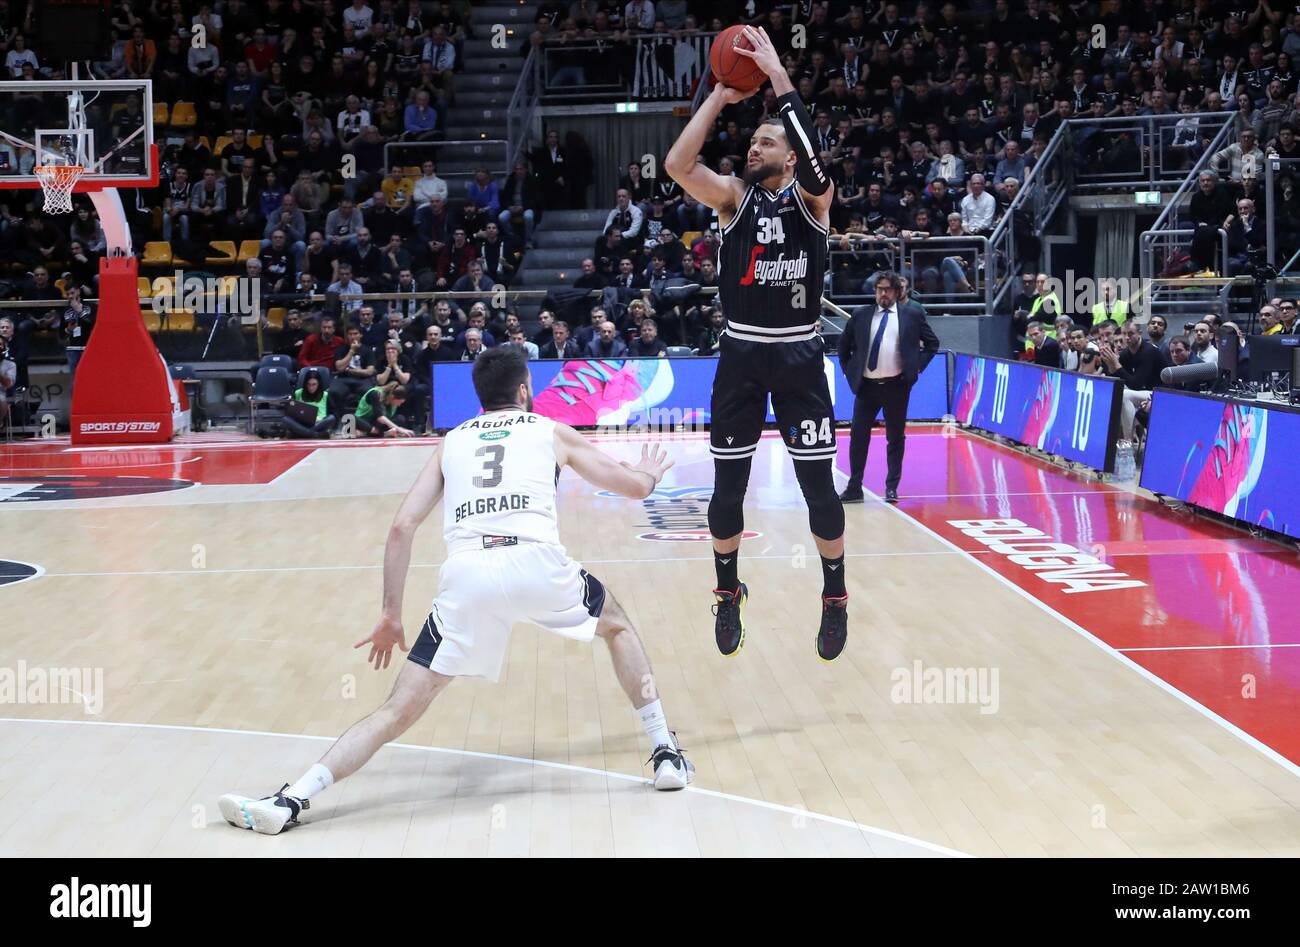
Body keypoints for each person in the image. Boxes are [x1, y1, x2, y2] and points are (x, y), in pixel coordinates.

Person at [218, 348, 691, 834]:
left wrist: (390, 615)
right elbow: (633, 488)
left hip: (467, 578)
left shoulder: (453, 441)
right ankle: (665, 752)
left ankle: (292, 799)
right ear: (525, 390)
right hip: (537, 564)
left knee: (397, 709)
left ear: (480, 397)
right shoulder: (551, 430)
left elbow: (402, 526)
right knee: (616, 625)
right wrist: (650, 474)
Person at [664, 25, 848, 662]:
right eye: (753, 139)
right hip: (741, 354)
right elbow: (677, 165)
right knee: (726, 494)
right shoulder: (732, 199)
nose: (754, 146)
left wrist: (777, 78)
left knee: (820, 494)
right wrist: (718, 96)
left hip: (800, 355)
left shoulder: (814, 202)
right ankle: (727, 590)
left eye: (767, 140)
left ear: (791, 156)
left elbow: (817, 160)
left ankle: (833, 596)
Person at [837, 272, 940, 505]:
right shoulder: (861, 314)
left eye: (888, 289)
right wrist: (848, 370)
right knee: (858, 436)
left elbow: (932, 343)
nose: (883, 293)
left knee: (895, 437)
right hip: (867, 388)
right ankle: (854, 487)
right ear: (875, 291)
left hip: (896, 386)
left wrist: (917, 369)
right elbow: (843, 346)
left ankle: (891, 487)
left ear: (897, 292)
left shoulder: (912, 315)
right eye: (880, 289)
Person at [286, 369, 338, 438]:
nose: (311, 388)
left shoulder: (325, 395)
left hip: (318, 424)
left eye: (314, 384)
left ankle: (302, 434)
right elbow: (291, 412)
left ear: (318, 384)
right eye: (309, 384)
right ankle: (315, 434)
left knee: (331, 418)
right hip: (301, 423)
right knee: (285, 419)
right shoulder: (298, 393)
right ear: (305, 384)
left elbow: (334, 414)